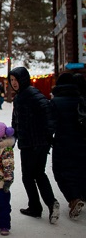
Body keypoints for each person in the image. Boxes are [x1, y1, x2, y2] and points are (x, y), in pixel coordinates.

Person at [8, 66, 60, 224]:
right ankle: (49, 204)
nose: (14, 83)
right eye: (11, 80)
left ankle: (36, 207)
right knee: (38, 173)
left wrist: (47, 135)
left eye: (16, 80)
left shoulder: (31, 94)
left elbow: (48, 113)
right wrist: (12, 138)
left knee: (28, 176)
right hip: (31, 142)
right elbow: (17, 121)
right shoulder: (21, 96)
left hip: (34, 143)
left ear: (23, 79)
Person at [49, 72, 85, 220]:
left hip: (62, 142)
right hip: (82, 142)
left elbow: (50, 124)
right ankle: (80, 195)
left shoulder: (56, 101)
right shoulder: (80, 99)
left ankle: (73, 198)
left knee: (60, 171)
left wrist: (47, 139)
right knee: (79, 169)